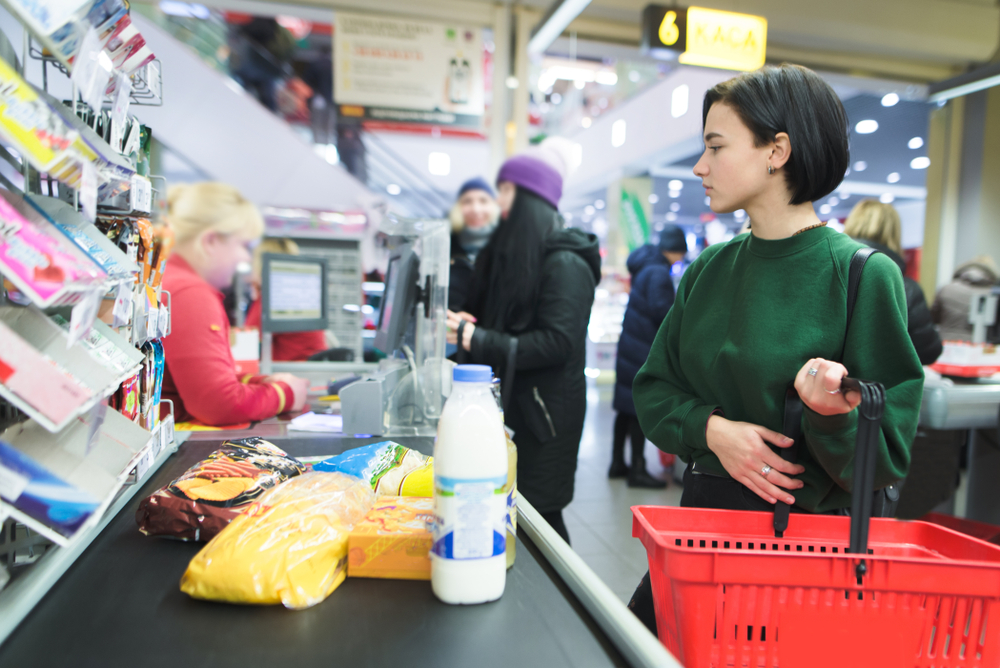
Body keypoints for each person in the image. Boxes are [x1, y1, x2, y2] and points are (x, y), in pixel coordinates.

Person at [626, 65, 924, 633]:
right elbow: (654, 389)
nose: (700, 165)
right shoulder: (710, 269)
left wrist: (831, 414)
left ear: (777, 151)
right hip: (700, 540)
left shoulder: (862, 276)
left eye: (716, 146)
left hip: (803, 562)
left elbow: (884, 457)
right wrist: (714, 431)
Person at [445, 138, 601, 545]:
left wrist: (475, 336)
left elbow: (555, 343)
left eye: (506, 190)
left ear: (531, 198)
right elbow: (512, 327)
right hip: (521, 413)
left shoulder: (566, 262)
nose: (499, 203)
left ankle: (562, 606)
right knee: (522, 514)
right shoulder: (526, 258)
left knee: (543, 520)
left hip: (545, 423)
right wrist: (473, 325)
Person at [161, 182, 309, 425]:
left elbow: (201, 381)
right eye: (243, 246)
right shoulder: (190, 294)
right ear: (210, 241)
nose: (245, 258)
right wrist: (286, 394)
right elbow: (219, 404)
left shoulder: (171, 280)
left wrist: (259, 383)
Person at [610, 226, 688, 488]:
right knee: (636, 411)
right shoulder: (658, 272)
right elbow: (662, 312)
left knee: (624, 409)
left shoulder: (646, 266)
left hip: (631, 345)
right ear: (675, 250)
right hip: (643, 349)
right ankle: (637, 470)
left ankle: (617, 463)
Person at [844, 200, 942, 364]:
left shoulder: (827, 273)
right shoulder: (906, 288)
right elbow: (927, 351)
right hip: (878, 387)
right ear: (894, 233)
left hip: (823, 383)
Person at [244, 238, 329, 361]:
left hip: (290, 373)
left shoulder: (272, 299)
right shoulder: (302, 296)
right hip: (310, 370)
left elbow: (247, 343)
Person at [448, 177, 499, 312]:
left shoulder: (506, 246)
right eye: (467, 201)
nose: (476, 209)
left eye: (483, 201)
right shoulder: (445, 246)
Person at [931, 256, 1000, 341]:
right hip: (979, 347)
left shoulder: (947, 288)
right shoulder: (993, 293)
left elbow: (933, 318)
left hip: (946, 343)